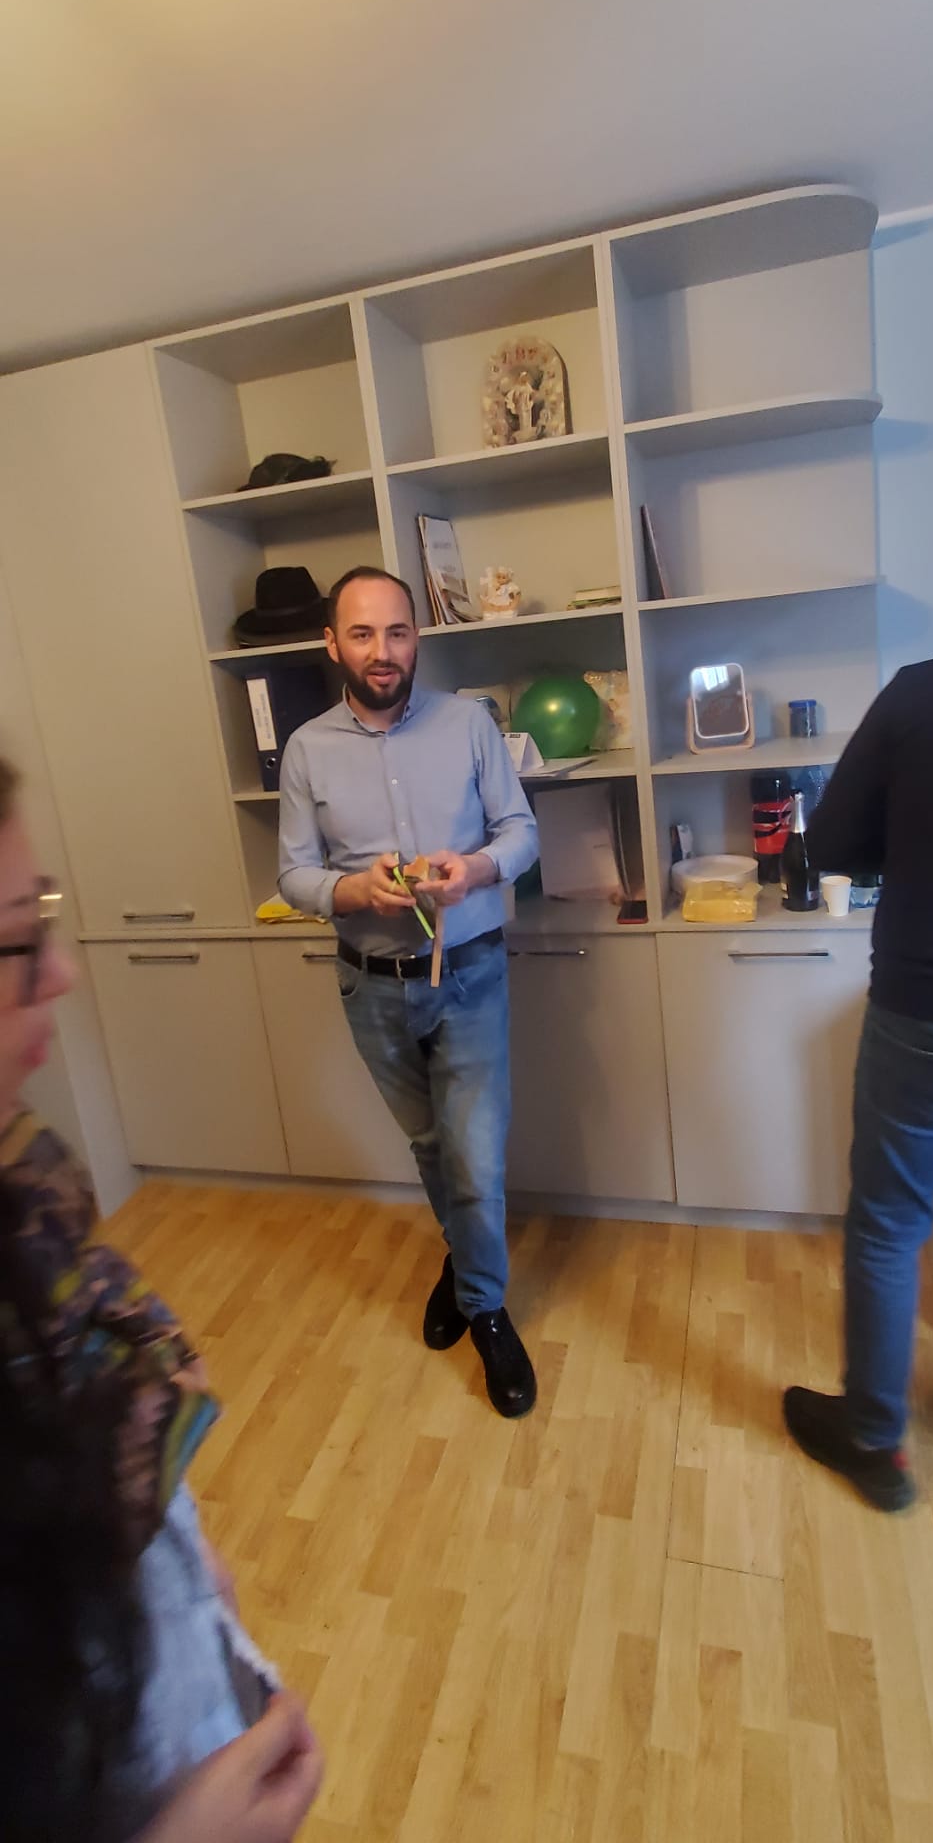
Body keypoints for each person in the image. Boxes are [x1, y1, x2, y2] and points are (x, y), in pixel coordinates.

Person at [0, 752, 322, 1840]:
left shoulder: (26, 1193)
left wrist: (168, 1552)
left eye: (44, 915)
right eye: (20, 937)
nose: (62, 972)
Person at [278, 565, 540, 1418]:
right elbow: (293, 875)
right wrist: (351, 891)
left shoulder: (469, 724)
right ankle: (465, 1262)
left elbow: (521, 831)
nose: (382, 651)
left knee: (476, 1157)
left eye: (396, 632)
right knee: (431, 1149)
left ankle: (485, 1308)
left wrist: (476, 869)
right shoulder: (306, 749)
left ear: (416, 637)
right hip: (371, 987)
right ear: (333, 644)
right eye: (362, 634)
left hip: (469, 974)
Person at [783, 652, 933, 1511]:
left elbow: (833, 843)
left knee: (890, 1226)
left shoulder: (926, 692)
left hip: (928, 1007)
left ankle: (872, 1440)